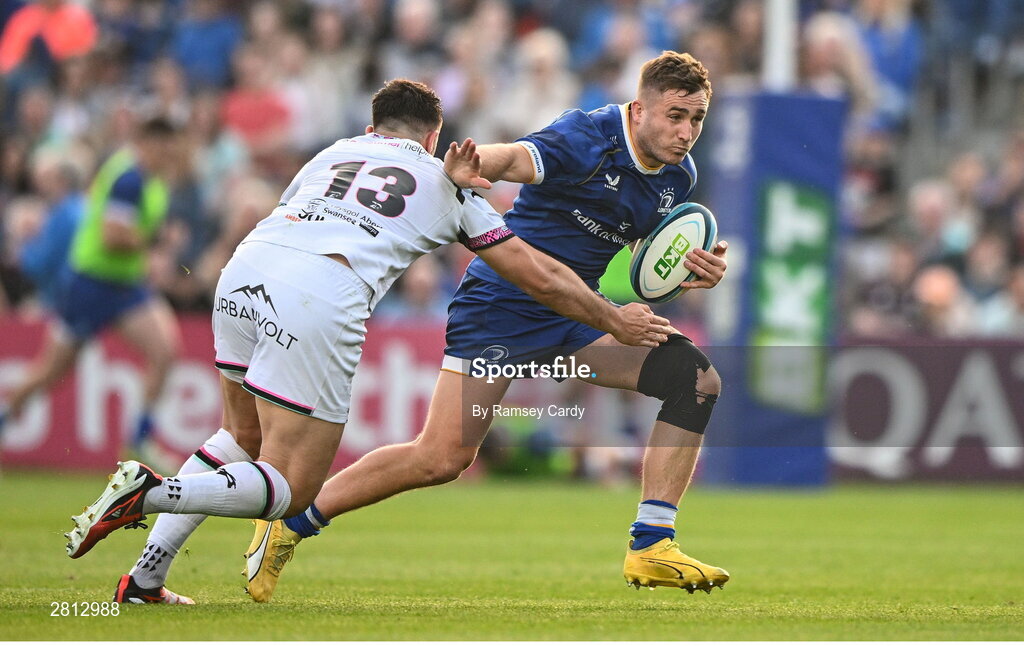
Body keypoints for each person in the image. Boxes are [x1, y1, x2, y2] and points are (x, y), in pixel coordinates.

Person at [63, 79, 671, 604]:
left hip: (246, 269)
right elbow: (537, 274)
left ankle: (145, 579)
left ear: (371, 127)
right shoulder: (444, 181)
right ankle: (149, 493)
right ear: (433, 140)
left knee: (241, 434)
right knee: (292, 488)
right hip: (321, 291)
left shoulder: (334, 151)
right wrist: (612, 318)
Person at [245, 51, 731, 602]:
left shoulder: (677, 175)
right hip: (502, 303)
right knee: (440, 459)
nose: (686, 131)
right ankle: (291, 523)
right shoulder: (587, 137)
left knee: (695, 380)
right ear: (640, 108)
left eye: (697, 119)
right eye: (675, 116)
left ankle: (651, 544)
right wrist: (469, 168)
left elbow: (637, 251)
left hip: (577, 313)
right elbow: (513, 159)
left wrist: (690, 269)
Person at [0, 119, 183, 454]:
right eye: (160, 144)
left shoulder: (155, 179)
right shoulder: (128, 178)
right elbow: (113, 236)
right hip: (90, 285)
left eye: (170, 144)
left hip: (125, 286)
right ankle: (4, 415)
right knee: (52, 370)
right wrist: (155, 245)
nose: (166, 152)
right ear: (143, 142)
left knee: (165, 351)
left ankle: (139, 441)